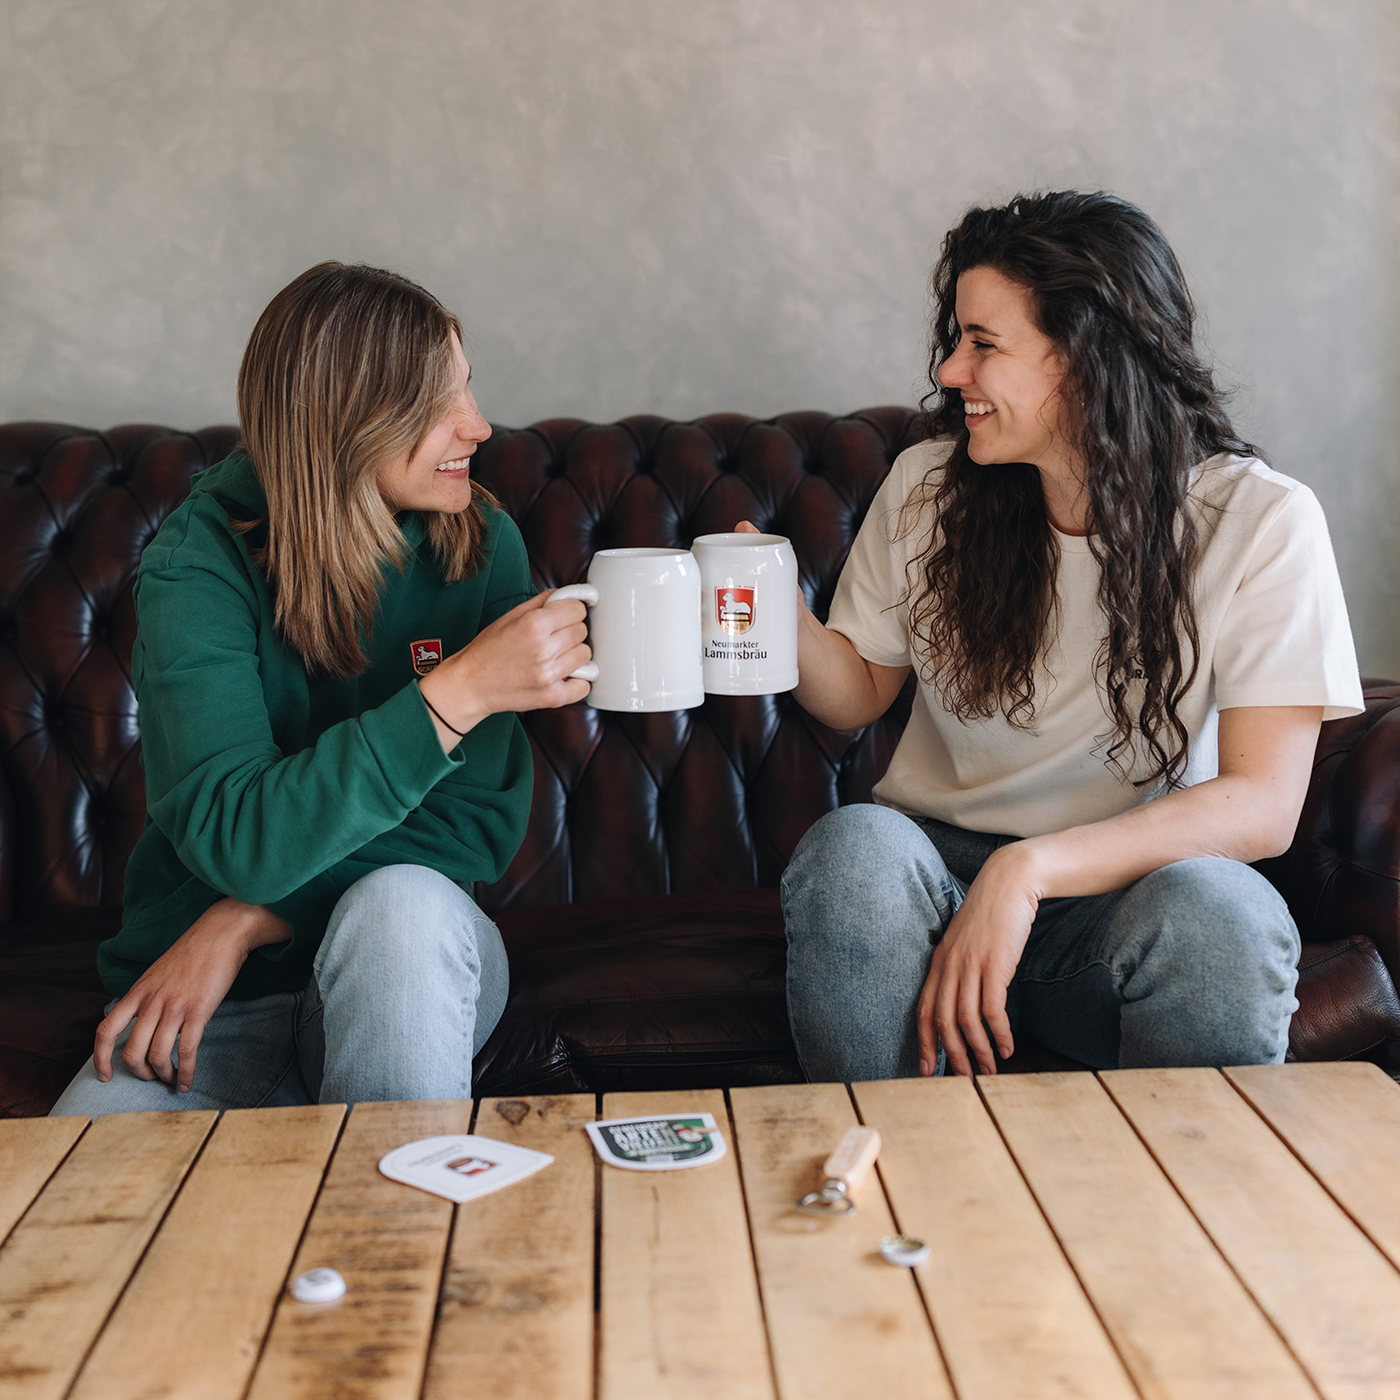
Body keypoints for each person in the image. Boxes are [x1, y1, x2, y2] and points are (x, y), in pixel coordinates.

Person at [777, 191, 1363, 1081]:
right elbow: (857, 690)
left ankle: (1188, 1208)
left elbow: (1262, 804)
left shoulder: (1259, 519)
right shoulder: (928, 485)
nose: (948, 371)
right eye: (954, 338)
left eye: (983, 343)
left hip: (1118, 899)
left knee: (1223, 911)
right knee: (854, 847)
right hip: (925, 887)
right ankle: (892, 1189)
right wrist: (780, 616)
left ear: (1087, 357)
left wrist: (1029, 870)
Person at [50, 263, 591, 1115]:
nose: (479, 427)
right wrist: (454, 696)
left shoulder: (482, 541)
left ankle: (400, 1235)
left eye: (469, 389)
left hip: (403, 967)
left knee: (403, 905)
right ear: (345, 420)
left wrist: (249, 918)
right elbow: (237, 832)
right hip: (212, 1009)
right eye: (437, 406)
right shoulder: (198, 563)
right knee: (63, 1219)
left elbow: (475, 826)